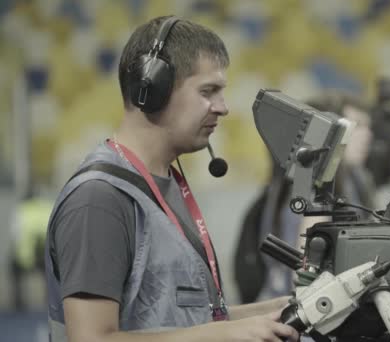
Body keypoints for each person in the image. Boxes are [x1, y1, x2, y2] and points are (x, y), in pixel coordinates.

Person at [44, 16, 299, 342]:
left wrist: (275, 311)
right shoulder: (100, 200)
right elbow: (92, 339)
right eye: (208, 91)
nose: (223, 108)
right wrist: (226, 335)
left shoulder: (164, 183)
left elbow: (183, 321)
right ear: (152, 89)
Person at [234, 91, 376, 304]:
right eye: (355, 126)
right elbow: (304, 279)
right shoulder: (307, 188)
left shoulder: (350, 181)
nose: (367, 135)